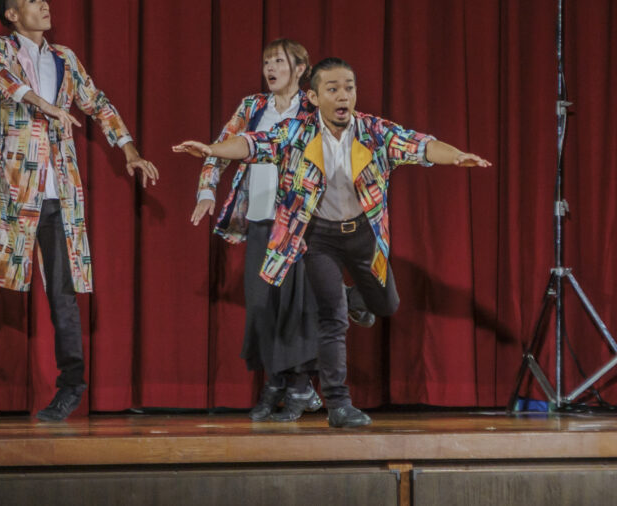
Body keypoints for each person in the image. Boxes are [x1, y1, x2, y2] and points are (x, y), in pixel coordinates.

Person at [174, 57, 490, 427]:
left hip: (362, 235)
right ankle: (339, 405)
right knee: (332, 320)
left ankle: (353, 297)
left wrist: (456, 157)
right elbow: (252, 143)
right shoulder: (297, 132)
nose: (344, 95)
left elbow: (420, 145)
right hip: (317, 237)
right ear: (314, 96)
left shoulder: (373, 131)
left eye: (349, 87)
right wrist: (213, 150)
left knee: (385, 304)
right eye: (333, 88)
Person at [0, 0, 159, 423]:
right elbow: (1, 79)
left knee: (63, 298)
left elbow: (99, 104)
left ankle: (71, 388)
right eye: (33, 0)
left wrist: (129, 151)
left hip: (61, 195)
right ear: (13, 14)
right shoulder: (1, 49)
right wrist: (47, 107)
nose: (45, 5)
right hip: (15, 193)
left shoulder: (65, 58)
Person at [191, 39, 370, 422]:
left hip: (302, 220)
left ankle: (295, 386)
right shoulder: (252, 107)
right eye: (266, 62)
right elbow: (221, 147)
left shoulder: (314, 107)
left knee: (301, 307)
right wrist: (207, 191)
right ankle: (286, 381)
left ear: (301, 68)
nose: (270, 69)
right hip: (259, 216)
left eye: (279, 62)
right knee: (262, 305)